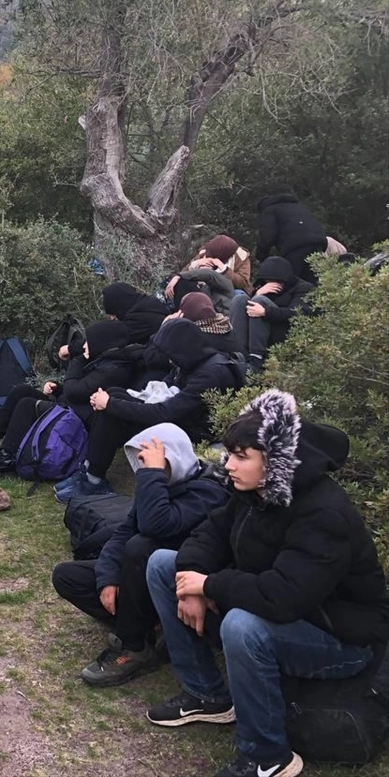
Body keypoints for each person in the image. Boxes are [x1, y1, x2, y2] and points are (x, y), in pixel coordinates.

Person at [144, 389, 389, 777]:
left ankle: (268, 757)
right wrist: (190, 581)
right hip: (282, 607)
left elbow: (284, 598)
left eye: (242, 457)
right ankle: (207, 695)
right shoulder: (252, 492)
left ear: (275, 461)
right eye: (231, 454)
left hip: (340, 638)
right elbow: (209, 535)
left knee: (242, 625)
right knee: (163, 564)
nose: (229, 465)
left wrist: (209, 586)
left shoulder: (324, 514)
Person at [51, 423, 230, 687]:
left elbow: (155, 525)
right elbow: (123, 532)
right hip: (140, 580)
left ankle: (133, 646)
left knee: (141, 547)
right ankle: (152, 627)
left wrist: (153, 475)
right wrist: (107, 578)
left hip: (178, 585)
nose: (142, 467)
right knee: (67, 576)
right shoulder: (158, 483)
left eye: (149, 460)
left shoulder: (208, 490)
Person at [58, 320, 245, 502]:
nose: (170, 360)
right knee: (113, 394)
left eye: (171, 354)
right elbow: (166, 388)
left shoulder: (211, 374)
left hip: (195, 432)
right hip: (182, 418)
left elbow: (167, 412)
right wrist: (112, 400)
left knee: (112, 410)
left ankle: (94, 480)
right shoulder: (192, 361)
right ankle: (90, 468)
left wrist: (110, 405)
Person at [0, 321, 139, 475]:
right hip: (70, 407)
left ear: (102, 342)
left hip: (78, 419)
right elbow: (81, 390)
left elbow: (76, 392)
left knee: (27, 405)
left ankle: (6, 457)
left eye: (89, 341)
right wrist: (58, 388)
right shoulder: (105, 361)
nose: (84, 346)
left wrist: (77, 360)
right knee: (20, 391)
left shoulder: (114, 369)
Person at [228, 256, 313, 374]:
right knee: (240, 299)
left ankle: (256, 357)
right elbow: (249, 309)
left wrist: (266, 312)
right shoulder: (263, 287)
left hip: (284, 331)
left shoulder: (302, 288)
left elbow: (298, 313)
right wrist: (258, 292)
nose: (273, 284)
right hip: (261, 329)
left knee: (259, 301)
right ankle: (237, 351)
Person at [256, 193, 328, 283]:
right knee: (312, 280)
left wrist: (261, 257)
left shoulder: (269, 210)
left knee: (291, 281)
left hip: (295, 247)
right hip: (317, 243)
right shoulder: (299, 207)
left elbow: (267, 236)